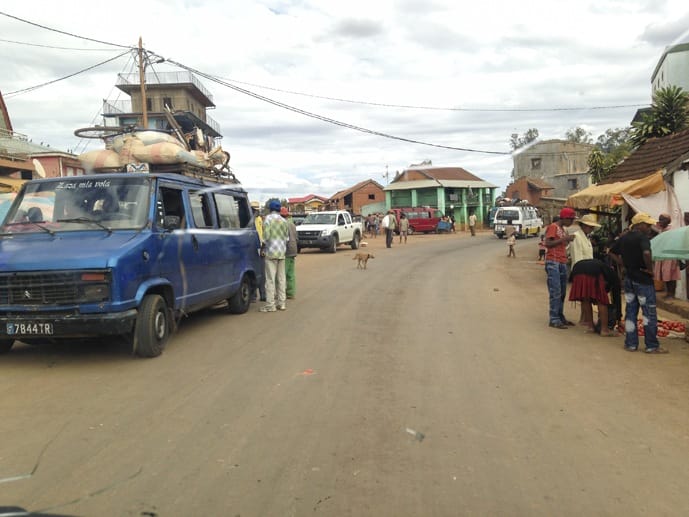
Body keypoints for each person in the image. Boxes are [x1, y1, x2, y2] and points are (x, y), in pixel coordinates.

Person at [609, 212, 667, 353]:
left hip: (629, 278)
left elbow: (611, 252)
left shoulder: (624, 238)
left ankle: (631, 344)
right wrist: (650, 269)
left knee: (631, 311)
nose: (649, 227)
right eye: (647, 225)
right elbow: (646, 253)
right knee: (649, 313)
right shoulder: (643, 238)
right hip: (643, 280)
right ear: (639, 225)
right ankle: (652, 345)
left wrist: (623, 264)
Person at [568, 258, 619, 337]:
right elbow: (616, 298)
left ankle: (591, 327)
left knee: (585, 299)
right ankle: (604, 330)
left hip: (577, 270)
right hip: (593, 272)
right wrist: (619, 316)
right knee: (602, 300)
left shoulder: (604, 268)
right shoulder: (614, 277)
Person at [545, 207, 576, 329]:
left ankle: (559, 315)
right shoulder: (553, 227)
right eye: (571, 220)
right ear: (565, 218)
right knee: (556, 291)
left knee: (562, 292)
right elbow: (548, 243)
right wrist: (565, 239)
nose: (572, 222)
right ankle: (554, 318)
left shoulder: (562, 229)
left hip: (561, 261)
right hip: (553, 261)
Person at [569, 213, 601, 327]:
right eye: (590, 227)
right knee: (584, 297)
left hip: (588, 269)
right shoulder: (577, 236)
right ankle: (585, 319)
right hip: (581, 269)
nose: (591, 229)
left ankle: (584, 318)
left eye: (592, 227)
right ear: (583, 225)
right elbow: (577, 255)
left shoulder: (586, 238)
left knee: (585, 297)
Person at [260, 200, 289, 312]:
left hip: (271, 253)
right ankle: (282, 304)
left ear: (270, 209)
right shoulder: (284, 221)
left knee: (270, 280)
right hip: (282, 253)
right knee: (281, 279)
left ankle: (270, 305)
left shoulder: (267, 220)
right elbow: (287, 238)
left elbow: (266, 237)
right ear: (279, 209)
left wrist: (263, 247)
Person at [653, 213, 681, 299]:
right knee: (665, 275)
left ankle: (671, 294)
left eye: (662, 219)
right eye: (660, 219)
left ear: (668, 221)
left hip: (670, 256)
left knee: (671, 275)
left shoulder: (671, 230)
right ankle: (669, 293)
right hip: (663, 256)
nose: (660, 221)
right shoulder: (662, 230)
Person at [251, 203, 266, 303]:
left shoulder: (260, 219)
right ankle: (253, 295)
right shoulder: (250, 220)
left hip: (260, 247)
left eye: (257, 210)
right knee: (253, 271)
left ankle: (262, 294)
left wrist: (263, 248)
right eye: (255, 210)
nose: (257, 211)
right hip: (251, 247)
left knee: (261, 272)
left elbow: (263, 233)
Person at [281, 206, 298, 299]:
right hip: (293, 249)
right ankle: (291, 293)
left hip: (286, 250)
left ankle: (281, 293)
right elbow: (296, 237)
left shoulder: (283, 224)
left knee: (282, 273)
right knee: (291, 273)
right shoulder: (292, 224)